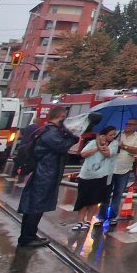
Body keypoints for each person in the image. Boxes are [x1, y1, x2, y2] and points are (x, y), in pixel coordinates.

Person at [16, 105, 79, 248]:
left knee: (35, 206)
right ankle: (27, 238)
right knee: (36, 206)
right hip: (45, 173)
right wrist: (73, 135)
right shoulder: (51, 133)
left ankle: (29, 235)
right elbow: (63, 145)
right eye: (64, 117)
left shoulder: (50, 131)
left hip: (45, 172)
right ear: (61, 116)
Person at [71, 125, 118, 230]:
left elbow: (107, 154)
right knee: (82, 199)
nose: (113, 137)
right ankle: (80, 221)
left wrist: (102, 146)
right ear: (103, 135)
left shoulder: (114, 144)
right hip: (86, 175)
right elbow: (83, 154)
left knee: (94, 200)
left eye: (114, 135)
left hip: (101, 176)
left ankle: (88, 220)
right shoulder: (92, 143)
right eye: (110, 135)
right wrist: (97, 147)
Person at [99, 118, 137, 225]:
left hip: (124, 169)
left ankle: (113, 216)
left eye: (130, 124)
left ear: (135, 126)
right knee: (105, 193)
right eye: (126, 124)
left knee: (118, 193)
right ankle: (102, 216)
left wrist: (123, 146)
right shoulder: (118, 133)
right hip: (110, 168)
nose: (127, 126)